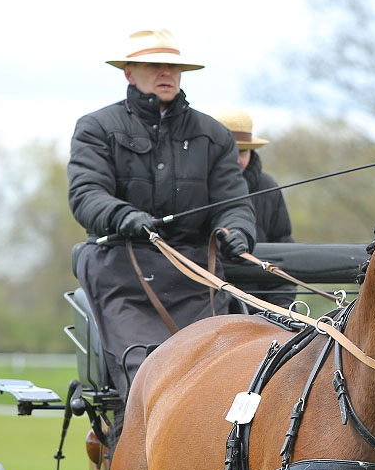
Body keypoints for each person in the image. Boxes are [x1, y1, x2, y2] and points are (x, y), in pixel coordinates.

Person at [68, 28, 256, 446]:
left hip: (194, 274)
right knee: (146, 371)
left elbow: (234, 202)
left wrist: (237, 230)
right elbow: (85, 195)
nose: (166, 72)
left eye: (173, 66)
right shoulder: (97, 127)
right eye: (155, 65)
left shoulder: (213, 135)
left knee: (221, 373)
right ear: (130, 73)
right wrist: (123, 216)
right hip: (121, 270)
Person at [215, 107, 297, 308]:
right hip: (206, 306)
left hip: (262, 309)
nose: (236, 159)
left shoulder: (268, 188)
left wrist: (280, 310)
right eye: (229, 151)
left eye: (242, 151)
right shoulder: (196, 189)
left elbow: (283, 248)